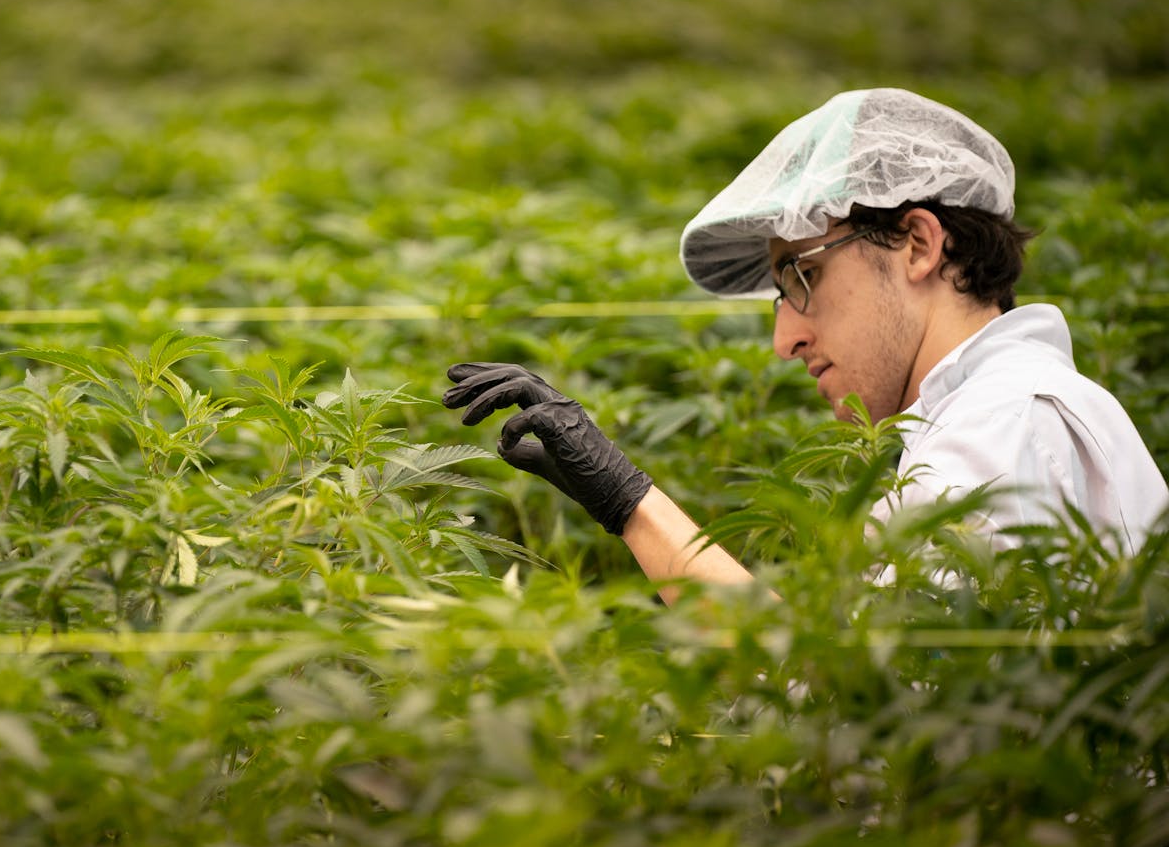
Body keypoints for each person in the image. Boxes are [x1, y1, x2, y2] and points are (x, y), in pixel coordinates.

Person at [443, 88, 1168, 601]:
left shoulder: (1003, 432)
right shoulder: (985, 417)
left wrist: (630, 498)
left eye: (803, 275)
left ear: (917, 244)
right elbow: (833, 680)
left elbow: (856, 719)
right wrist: (625, 502)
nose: (785, 338)